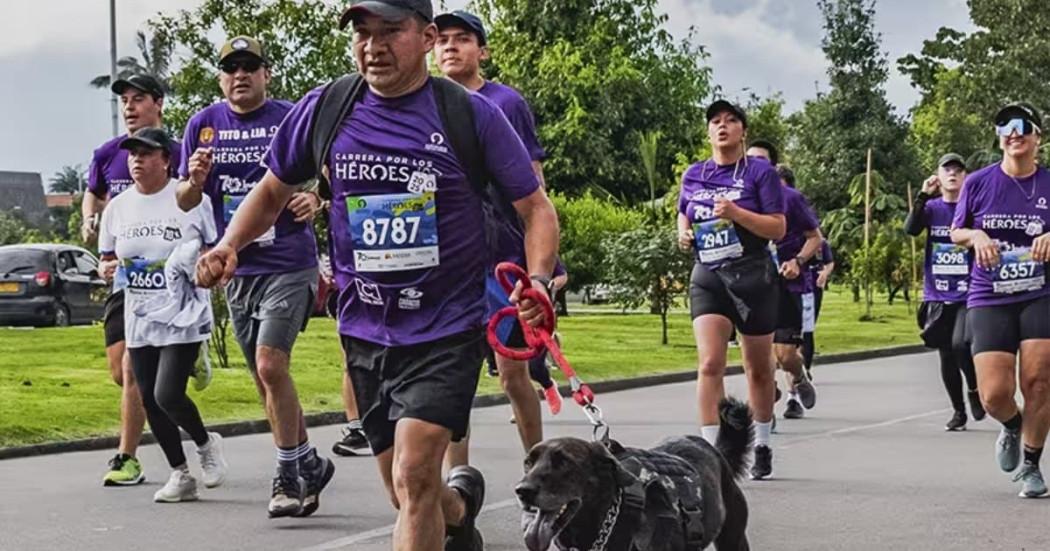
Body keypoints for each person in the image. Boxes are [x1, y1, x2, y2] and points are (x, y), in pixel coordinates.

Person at [195, 1, 559, 549]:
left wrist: (535, 280)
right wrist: (228, 244)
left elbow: (536, 208)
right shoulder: (328, 108)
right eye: (363, 33)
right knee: (405, 490)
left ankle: (446, 507)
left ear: (428, 37)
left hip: (447, 327)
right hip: (365, 330)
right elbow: (271, 191)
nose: (374, 45)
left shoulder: (469, 115)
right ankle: (461, 510)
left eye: (391, 31)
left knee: (413, 477)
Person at [175, 36, 334, 518]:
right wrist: (195, 183)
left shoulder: (291, 116)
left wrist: (317, 198)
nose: (239, 75)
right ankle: (308, 461)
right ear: (220, 77)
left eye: (249, 66)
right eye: (230, 68)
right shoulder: (203, 126)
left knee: (270, 364)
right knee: (267, 382)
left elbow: (332, 171)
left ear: (266, 73)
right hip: (238, 266)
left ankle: (287, 474)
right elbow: (183, 199)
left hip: (289, 260)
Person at [435, 9, 552, 458]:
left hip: (503, 261)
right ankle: (456, 482)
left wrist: (546, 267)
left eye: (462, 39)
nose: (450, 47)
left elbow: (535, 190)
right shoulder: (424, 104)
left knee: (512, 373)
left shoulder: (507, 103)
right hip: (447, 263)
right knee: (453, 375)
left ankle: (539, 465)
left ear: (481, 51)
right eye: (442, 39)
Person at [97, 127, 228, 503]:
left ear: (166, 160)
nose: (136, 159)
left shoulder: (187, 198)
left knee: (167, 393)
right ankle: (180, 474)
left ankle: (205, 445)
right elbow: (109, 259)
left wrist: (207, 264)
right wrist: (106, 270)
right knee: (150, 400)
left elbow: (214, 244)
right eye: (132, 153)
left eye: (146, 153)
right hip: (140, 313)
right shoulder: (118, 207)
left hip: (183, 311)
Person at [82, 74, 185, 487]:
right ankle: (178, 376)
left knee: (133, 365)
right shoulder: (108, 154)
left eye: (137, 99)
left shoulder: (177, 152)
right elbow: (95, 193)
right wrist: (91, 219)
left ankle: (126, 457)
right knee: (121, 372)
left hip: (168, 281)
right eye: (124, 100)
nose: (128, 107)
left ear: (157, 104)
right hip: (125, 279)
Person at [677, 100, 786, 480]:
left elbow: (778, 228)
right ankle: (713, 452)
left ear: (743, 131)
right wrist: (682, 232)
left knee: (758, 369)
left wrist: (737, 214)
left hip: (753, 275)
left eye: (731, 120)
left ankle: (762, 444)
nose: (722, 126)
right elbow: (684, 211)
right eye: (715, 122)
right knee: (709, 364)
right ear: (708, 132)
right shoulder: (694, 173)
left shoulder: (760, 173)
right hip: (709, 274)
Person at [951, 102, 1050, 498]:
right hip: (989, 294)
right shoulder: (978, 182)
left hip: (1040, 292)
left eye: (1022, 125)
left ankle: (1031, 464)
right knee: (993, 394)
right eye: (1005, 125)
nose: (1013, 132)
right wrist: (976, 236)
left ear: (1037, 136)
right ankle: (1011, 425)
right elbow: (958, 230)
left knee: (1040, 382)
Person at [905, 153, 985, 431]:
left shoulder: (973, 208)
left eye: (958, 170)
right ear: (938, 177)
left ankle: (975, 389)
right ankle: (958, 411)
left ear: (965, 177)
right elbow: (911, 229)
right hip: (937, 292)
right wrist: (922, 196)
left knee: (961, 344)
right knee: (946, 354)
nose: (953, 174)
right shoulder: (932, 208)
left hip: (969, 290)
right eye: (947, 169)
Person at [770, 165, 821, 420]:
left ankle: (799, 377)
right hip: (752, 283)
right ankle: (767, 401)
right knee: (757, 353)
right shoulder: (741, 198)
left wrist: (797, 262)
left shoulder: (791, 199)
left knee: (785, 355)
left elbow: (816, 238)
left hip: (789, 285)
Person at [802, 239, 834, 379]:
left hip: (814, 288)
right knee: (794, 330)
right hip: (795, 288)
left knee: (808, 329)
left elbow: (829, 262)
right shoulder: (790, 241)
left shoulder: (821, 243)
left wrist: (825, 273)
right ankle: (796, 367)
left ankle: (806, 367)